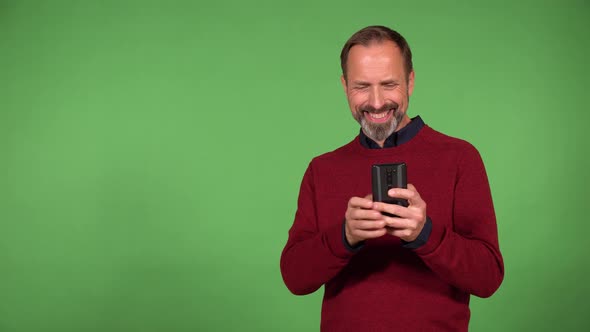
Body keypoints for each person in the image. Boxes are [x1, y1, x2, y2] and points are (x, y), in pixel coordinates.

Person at [280, 25, 504, 331]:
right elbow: (295, 277)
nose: (375, 102)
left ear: (410, 82)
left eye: (388, 84)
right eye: (362, 86)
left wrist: (425, 234)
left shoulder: (460, 158)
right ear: (345, 86)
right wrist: (345, 236)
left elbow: (488, 277)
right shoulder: (322, 169)